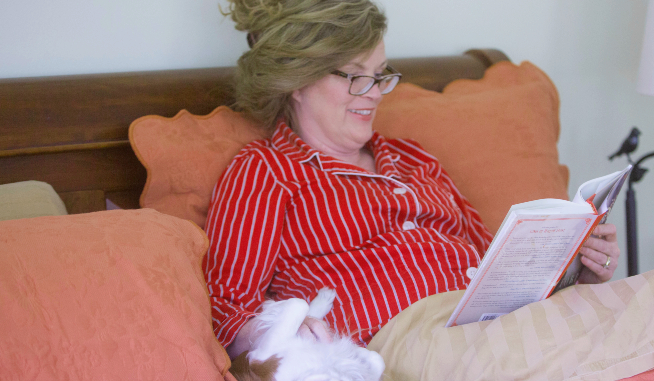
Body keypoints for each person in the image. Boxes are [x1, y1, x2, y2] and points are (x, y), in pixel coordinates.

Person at [205, 0, 621, 360]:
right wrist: (280, 333)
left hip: (488, 323)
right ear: (296, 80)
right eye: (355, 75)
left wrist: (572, 270)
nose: (375, 92)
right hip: (400, 344)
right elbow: (227, 312)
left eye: (381, 73)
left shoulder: (413, 159)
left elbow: (494, 263)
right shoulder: (266, 171)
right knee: (609, 339)